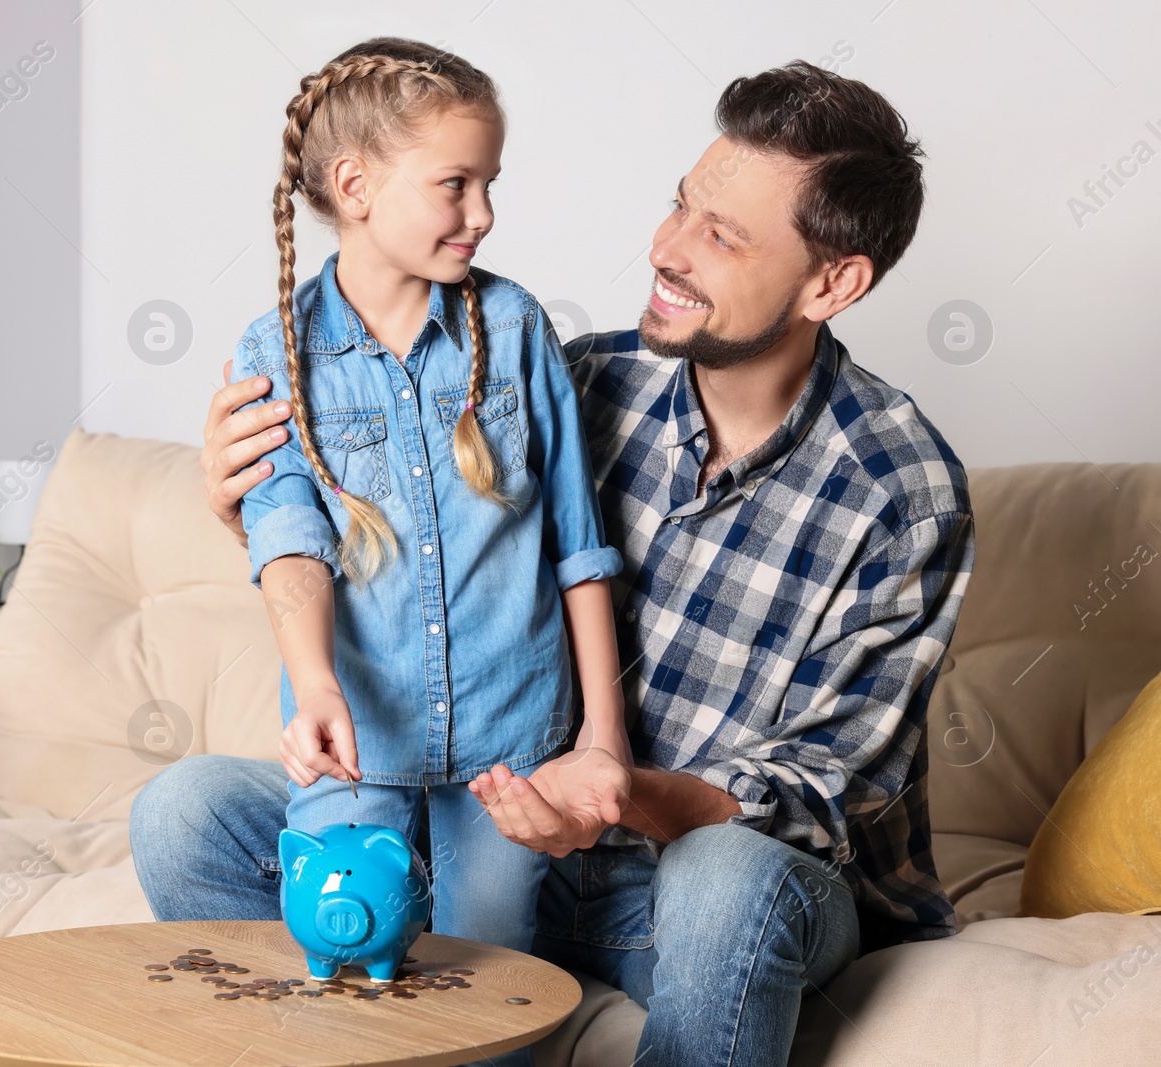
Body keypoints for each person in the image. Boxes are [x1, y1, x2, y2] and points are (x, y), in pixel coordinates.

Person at [132, 57, 975, 1067]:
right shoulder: (574, 377)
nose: (665, 248)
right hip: (491, 821)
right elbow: (407, 557)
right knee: (189, 813)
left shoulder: (898, 484)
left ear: (832, 281)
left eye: (721, 235)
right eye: (679, 207)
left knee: (726, 880)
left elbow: (835, 781)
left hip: (677, 882)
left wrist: (618, 788)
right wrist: (250, 512)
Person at [203, 36, 626, 1047]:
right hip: (359, 744)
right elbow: (288, 530)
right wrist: (313, 684)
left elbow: (580, 545)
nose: (481, 212)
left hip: (510, 743)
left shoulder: (517, 328)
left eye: (488, 183)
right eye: (455, 183)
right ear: (355, 185)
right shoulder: (276, 354)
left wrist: (600, 733)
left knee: (489, 1000)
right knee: (344, 975)